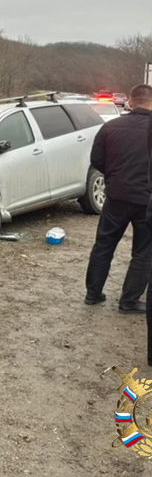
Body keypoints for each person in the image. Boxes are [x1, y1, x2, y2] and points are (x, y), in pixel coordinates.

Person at [85, 84, 152, 314]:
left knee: (103, 245)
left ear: (130, 102)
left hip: (116, 197)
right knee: (143, 252)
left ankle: (93, 294)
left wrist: (115, 177)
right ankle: (129, 302)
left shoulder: (110, 127)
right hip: (147, 200)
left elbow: (97, 160)